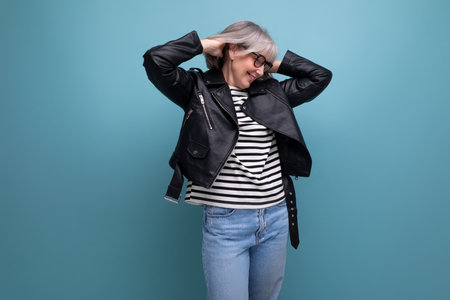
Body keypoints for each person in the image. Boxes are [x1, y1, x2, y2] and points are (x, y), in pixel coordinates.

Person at [142, 20, 332, 300]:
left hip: (276, 216)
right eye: (256, 59)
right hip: (226, 222)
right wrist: (206, 45)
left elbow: (320, 76)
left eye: (264, 64)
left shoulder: (272, 92)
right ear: (232, 49)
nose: (259, 70)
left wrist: (268, 64)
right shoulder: (197, 90)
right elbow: (155, 61)